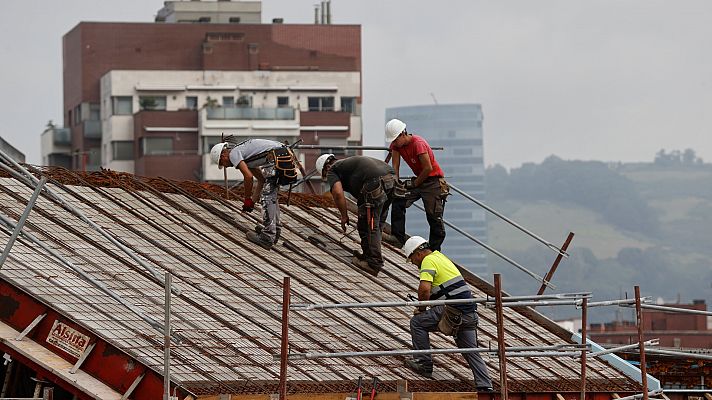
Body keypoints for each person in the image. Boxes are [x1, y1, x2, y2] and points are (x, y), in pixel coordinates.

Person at [402, 235, 493, 391]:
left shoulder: (428, 261)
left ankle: (424, 363)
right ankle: (485, 386)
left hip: (453, 311)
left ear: (418, 253)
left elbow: (424, 289)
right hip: (469, 312)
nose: (414, 263)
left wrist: (421, 308)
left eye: (412, 259)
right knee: (471, 350)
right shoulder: (440, 257)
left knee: (417, 323)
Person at [315, 154, 395, 276]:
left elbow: (337, 193)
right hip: (392, 181)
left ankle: (373, 263)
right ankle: (369, 256)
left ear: (326, 168)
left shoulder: (333, 169)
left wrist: (344, 215)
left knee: (367, 225)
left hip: (374, 184)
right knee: (377, 224)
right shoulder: (346, 163)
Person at [210, 138, 297, 249]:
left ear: (223, 156)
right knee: (271, 196)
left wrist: (246, 199)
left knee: (267, 197)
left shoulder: (233, 153)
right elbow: (261, 180)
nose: (226, 166)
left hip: (276, 158)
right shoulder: (247, 157)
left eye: (223, 164)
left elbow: (248, 177)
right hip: (282, 157)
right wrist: (252, 202)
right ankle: (275, 230)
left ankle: (268, 236)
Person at [385, 118, 449, 251]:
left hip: (433, 182)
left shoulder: (418, 143)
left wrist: (415, 183)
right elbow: (395, 165)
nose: (394, 143)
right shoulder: (396, 145)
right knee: (398, 199)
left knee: (433, 216)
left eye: (396, 140)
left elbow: (428, 168)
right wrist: (396, 182)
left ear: (403, 134)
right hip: (419, 180)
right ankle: (397, 236)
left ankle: (434, 251)